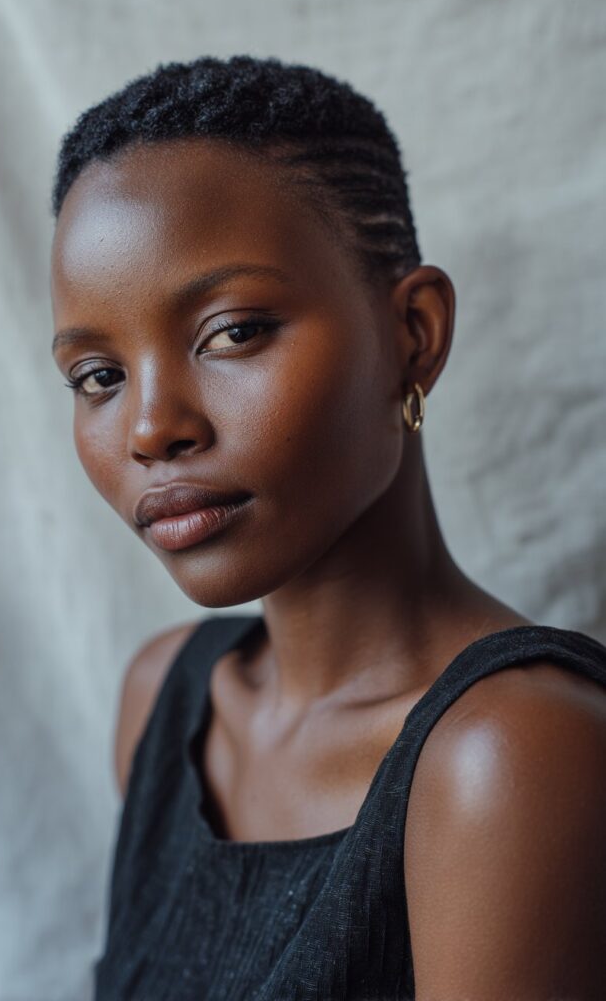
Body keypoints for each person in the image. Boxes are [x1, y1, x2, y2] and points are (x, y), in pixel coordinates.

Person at [49, 55, 606, 1001]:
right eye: (98, 376)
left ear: (414, 335)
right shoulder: (166, 701)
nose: (149, 428)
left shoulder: (508, 755)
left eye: (231, 332)